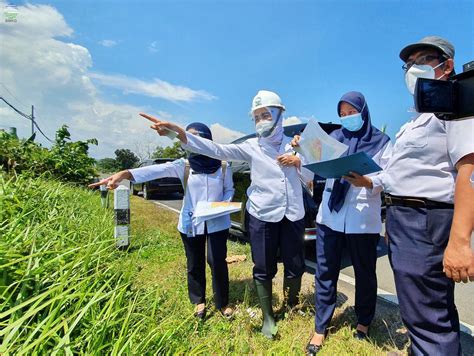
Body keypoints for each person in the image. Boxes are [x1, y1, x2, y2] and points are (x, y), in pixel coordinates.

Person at [142, 90, 313, 339]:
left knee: (295, 264)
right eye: (257, 117)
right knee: (263, 266)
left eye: (266, 114)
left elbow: (310, 179)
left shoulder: (297, 145)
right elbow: (217, 149)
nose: (261, 120)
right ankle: (268, 316)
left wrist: (299, 161)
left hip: (293, 214)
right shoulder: (251, 147)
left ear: (279, 114)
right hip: (262, 214)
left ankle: (290, 305)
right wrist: (179, 133)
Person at [372, 36, 474, 355]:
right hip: (404, 220)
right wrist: (365, 180)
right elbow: (397, 175)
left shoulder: (454, 105)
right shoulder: (416, 120)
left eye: (423, 60)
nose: (413, 68)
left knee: (429, 319)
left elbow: (469, 174)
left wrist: (459, 242)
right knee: (421, 309)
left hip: (427, 221)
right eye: (409, 63)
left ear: (447, 65)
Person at [89, 122, 235, 320]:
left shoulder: (224, 165)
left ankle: (222, 303)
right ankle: (199, 301)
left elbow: (229, 190)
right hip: (191, 222)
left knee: (217, 260)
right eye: (191, 141)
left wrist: (223, 204)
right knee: (194, 262)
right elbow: (153, 171)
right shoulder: (183, 166)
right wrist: (124, 174)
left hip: (217, 220)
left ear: (208, 142)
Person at [293, 92, 392, 354]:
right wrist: (300, 151)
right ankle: (320, 327)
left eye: (352, 112)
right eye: (343, 114)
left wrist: (369, 182)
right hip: (330, 218)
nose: (348, 118)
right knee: (325, 272)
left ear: (364, 111)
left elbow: (391, 176)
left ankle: (363, 321)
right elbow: (308, 172)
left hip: (362, 220)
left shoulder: (381, 142)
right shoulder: (333, 139)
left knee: (365, 273)